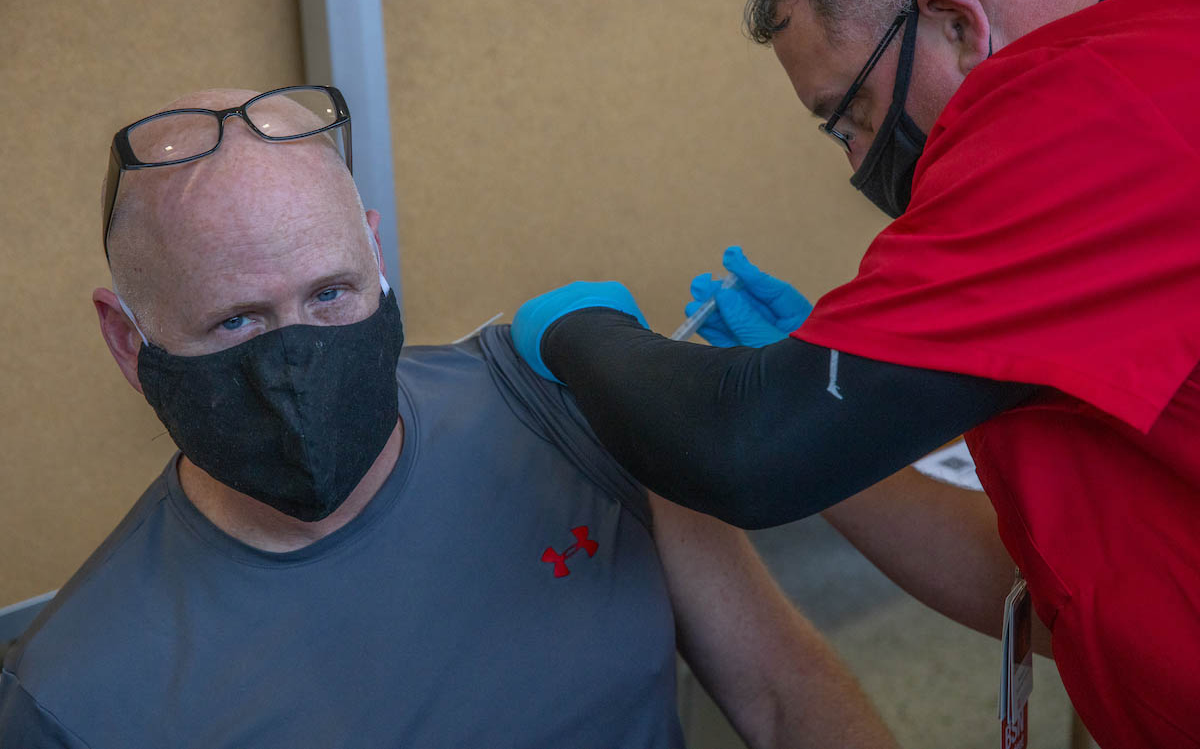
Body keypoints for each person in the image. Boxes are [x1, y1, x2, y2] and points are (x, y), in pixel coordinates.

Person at [0, 87, 897, 749]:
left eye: (331, 293)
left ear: (376, 256)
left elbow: (785, 696)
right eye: (236, 321)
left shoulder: (571, 416)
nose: (294, 361)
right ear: (129, 340)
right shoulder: (76, 697)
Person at [509, 0, 1200, 748]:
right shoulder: (1168, 38)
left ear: (954, 26)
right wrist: (839, 432)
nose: (856, 157)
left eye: (854, 114)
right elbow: (1060, 583)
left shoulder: (1083, 111)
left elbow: (743, 446)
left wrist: (577, 330)